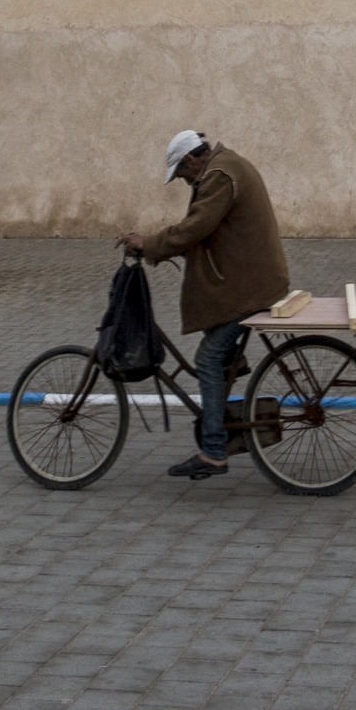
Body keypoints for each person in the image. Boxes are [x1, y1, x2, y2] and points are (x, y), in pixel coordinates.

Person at [123, 129, 290, 481]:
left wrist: (149, 244)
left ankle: (214, 451)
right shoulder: (226, 165)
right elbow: (203, 229)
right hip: (247, 279)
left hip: (249, 287)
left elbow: (195, 227)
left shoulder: (219, 175)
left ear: (190, 160)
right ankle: (228, 388)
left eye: (183, 176)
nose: (185, 182)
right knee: (218, 350)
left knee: (207, 359)